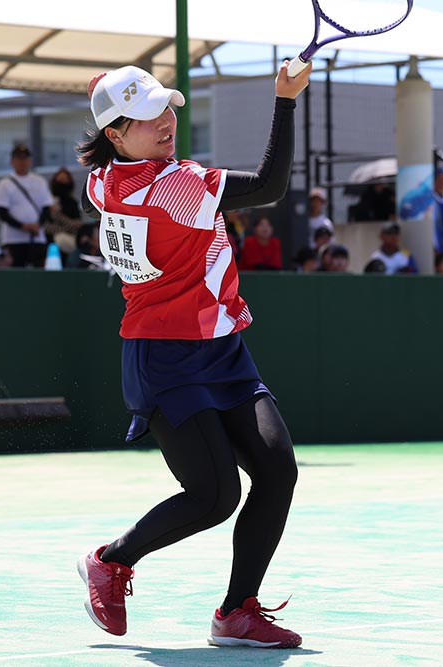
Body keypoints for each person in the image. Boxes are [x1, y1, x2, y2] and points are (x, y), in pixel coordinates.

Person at [74, 62, 309, 648]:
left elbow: (111, 167)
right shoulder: (172, 187)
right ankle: (110, 560)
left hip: (223, 350)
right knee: (215, 497)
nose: (166, 121)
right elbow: (270, 187)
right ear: (115, 134)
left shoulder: (102, 182)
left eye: (166, 107)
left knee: (277, 469)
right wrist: (284, 99)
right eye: (147, 115)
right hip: (166, 359)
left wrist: (108, 93)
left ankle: (237, 612)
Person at [0, 143, 53, 267]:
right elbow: (2, 212)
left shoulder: (40, 181)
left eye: (25, 158)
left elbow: (47, 208)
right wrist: (23, 226)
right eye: (19, 158)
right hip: (13, 239)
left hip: (37, 238)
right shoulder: (4, 184)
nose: (22, 162)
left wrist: (37, 225)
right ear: (12, 161)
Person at [48, 167, 86, 258]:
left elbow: (77, 224)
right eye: (60, 180)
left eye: (65, 180)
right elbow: (45, 227)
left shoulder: (72, 203)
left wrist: (58, 215)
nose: (62, 183)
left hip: (70, 244)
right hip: (49, 246)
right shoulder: (48, 202)